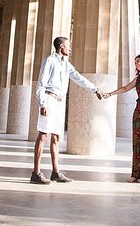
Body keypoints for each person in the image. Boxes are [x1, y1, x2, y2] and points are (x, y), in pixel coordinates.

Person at [31, 36, 105, 184]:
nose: (70, 49)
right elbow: (41, 84)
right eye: (67, 46)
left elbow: (78, 78)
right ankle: (36, 173)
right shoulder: (49, 61)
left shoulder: (66, 64)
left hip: (59, 102)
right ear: (60, 46)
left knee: (56, 137)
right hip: (49, 99)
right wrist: (43, 104)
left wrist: (95, 89)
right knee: (43, 135)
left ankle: (55, 172)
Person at [104, 54, 140, 183]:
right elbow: (125, 88)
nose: (136, 64)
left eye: (138, 61)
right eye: (135, 62)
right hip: (139, 112)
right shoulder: (138, 78)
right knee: (137, 144)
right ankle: (135, 174)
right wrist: (110, 94)